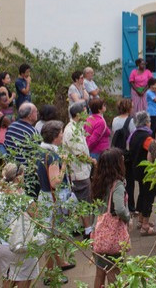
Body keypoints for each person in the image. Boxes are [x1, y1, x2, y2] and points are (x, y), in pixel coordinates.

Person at [36, 120, 75, 279]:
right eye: (60, 134)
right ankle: (50, 275)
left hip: (45, 197)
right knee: (53, 236)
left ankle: (59, 263)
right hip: (53, 201)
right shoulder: (52, 156)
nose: (62, 136)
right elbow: (55, 182)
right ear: (54, 137)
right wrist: (64, 163)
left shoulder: (40, 150)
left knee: (53, 235)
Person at [90, 148, 131, 288]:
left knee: (100, 273)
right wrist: (127, 217)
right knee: (114, 273)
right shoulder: (118, 185)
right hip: (112, 237)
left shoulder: (98, 181)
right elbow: (119, 208)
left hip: (98, 232)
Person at [0, 163, 40, 288]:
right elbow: (38, 218)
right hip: (21, 246)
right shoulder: (25, 199)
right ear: (19, 177)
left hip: (4, 245)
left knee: (8, 279)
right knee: (24, 281)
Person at [65, 102, 94, 237]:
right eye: (84, 112)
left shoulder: (77, 127)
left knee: (79, 200)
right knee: (84, 200)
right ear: (77, 115)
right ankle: (87, 230)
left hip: (82, 170)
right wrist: (92, 161)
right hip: (78, 172)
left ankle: (77, 226)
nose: (86, 114)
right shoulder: (71, 130)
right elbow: (79, 154)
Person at [128, 111, 156, 235]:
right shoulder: (147, 138)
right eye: (149, 121)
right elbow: (153, 150)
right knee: (148, 196)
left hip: (136, 169)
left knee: (141, 193)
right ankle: (145, 224)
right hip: (146, 171)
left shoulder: (133, 134)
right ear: (146, 123)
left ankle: (140, 220)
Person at [4, 103, 40, 187]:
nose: (37, 113)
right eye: (36, 111)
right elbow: (36, 154)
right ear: (29, 116)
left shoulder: (11, 126)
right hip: (25, 173)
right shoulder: (32, 132)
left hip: (11, 169)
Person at [0, 89, 14, 156]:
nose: (7, 102)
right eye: (5, 101)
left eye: (7, 100)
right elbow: (13, 128)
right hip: (3, 144)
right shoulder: (3, 118)